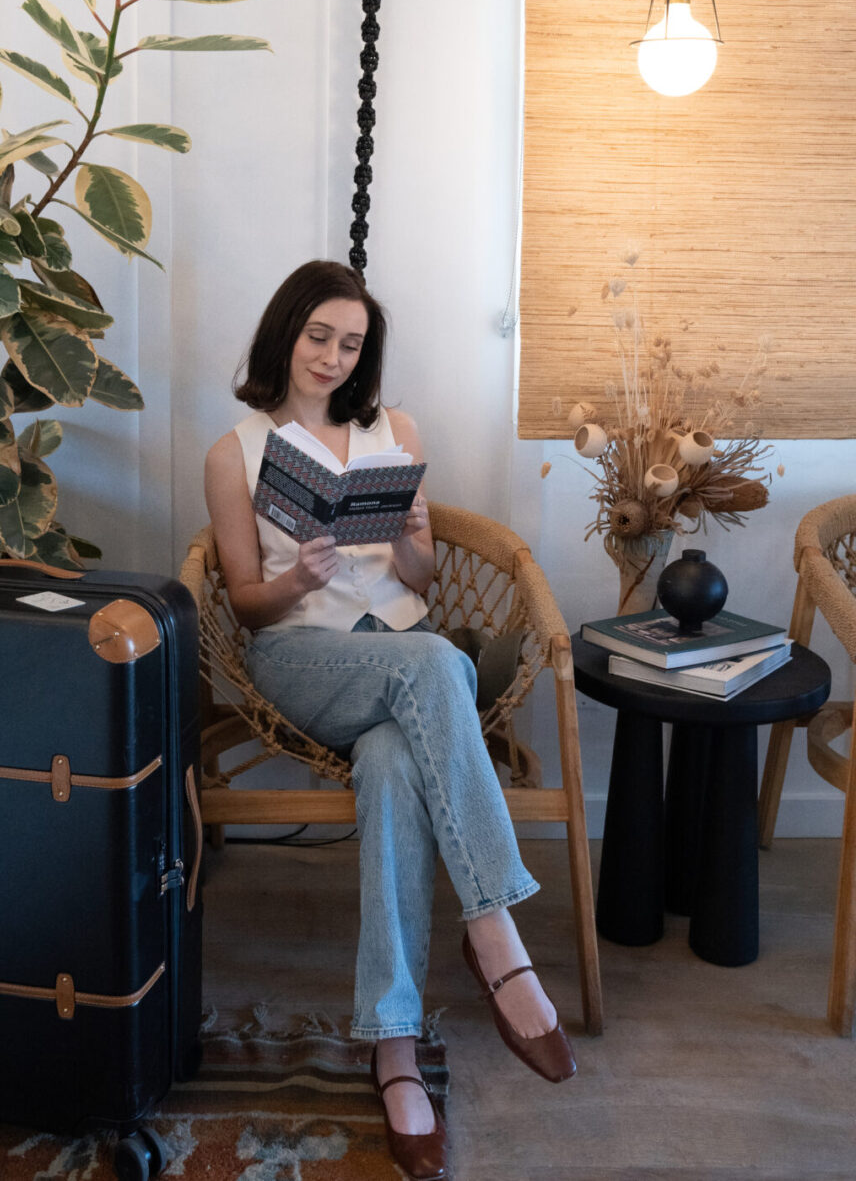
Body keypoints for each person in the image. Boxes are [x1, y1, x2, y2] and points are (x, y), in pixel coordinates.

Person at [205, 260, 575, 1181]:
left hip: (399, 661)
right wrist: (299, 577)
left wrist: (412, 535)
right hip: (300, 658)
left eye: (351, 343)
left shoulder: (393, 432)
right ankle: (494, 930)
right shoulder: (236, 451)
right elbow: (247, 603)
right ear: (285, 335)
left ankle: (394, 1047)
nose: (333, 357)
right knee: (442, 662)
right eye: (318, 336)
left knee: (392, 764)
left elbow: (417, 580)